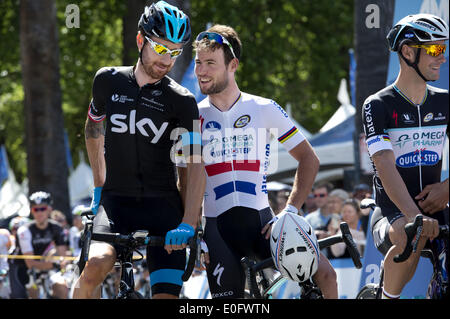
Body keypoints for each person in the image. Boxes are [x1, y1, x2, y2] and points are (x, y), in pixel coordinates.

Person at [192, 24, 337, 299]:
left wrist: (291, 210)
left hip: (262, 224)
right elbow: (183, 180)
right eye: (198, 62)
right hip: (216, 232)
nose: (201, 70)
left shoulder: (263, 108)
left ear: (232, 64)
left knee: (326, 276)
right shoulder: (192, 116)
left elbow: (309, 159)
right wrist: (194, 231)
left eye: (210, 63)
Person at [72, 1, 204, 299]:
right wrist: (98, 187)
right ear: (140, 40)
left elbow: (196, 163)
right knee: (94, 265)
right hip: (116, 201)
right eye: (160, 48)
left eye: (174, 52)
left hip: (162, 206)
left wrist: (189, 221)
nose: (166, 60)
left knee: (166, 295)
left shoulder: (182, 100)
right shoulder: (107, 80)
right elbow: (93, 128)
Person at [362, 13, 448, 299]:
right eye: (435, 49)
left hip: (436, 205)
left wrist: (447, 188)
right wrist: (414, 215)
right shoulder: (377, 104)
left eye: (444, 49)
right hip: (392, 211)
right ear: (408, 52)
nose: (442, 57)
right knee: (411, 232)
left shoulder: (444, 100)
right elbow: (384, 164)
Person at [8, 191, 69, 299]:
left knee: (62, 288)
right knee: (31, 292)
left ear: (49, 209)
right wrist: (55, 264)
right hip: (21, 268)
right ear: (32, 211)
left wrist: (62, 264)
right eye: (36, 209)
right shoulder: (24, 230)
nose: (39, 212)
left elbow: (62, 256)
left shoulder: (56, 227)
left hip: (45, 264)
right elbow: (30, 263)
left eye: (43, 208)